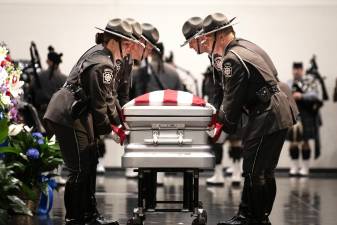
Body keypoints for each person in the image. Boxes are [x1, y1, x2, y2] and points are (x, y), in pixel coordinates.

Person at [191, 13, 298, 225]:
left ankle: (249, 218)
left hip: (267, 113)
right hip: (278, 109)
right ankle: (260, 217)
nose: (204, 42)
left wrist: (220, 127)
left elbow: (231, 99)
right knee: (265, 170)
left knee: (252, 170)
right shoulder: (245, 46)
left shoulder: (231, 58)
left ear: (219, 36)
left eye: (207, 37)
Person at [44, 18, 143, 225]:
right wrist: (112, 129)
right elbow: (100, 105)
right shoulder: (102, 64)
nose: (128, 49)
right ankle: (74, 218)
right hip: (68, 114)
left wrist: (117, 124)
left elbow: (109, 98)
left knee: (89, 163)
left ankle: (88, 216)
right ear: (113, 41)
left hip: (77, 114)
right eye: (126, 43)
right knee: (80, 168)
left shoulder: (104, 56)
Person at [287, 62, 322, 176]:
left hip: (307, 114)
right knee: (293, 141)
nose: (296, 71)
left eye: (299, 69)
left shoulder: (309, 82)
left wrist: (302, 96)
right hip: (293, 115)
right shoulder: (289, 83)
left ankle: (305, 168)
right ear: (292, 70)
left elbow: (316, 95)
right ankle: (294, 167)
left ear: (302, 70)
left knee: (305, 141)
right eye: (295, 69)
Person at [31, 46, 66, 122]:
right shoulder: (64, 79)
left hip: (40, 115)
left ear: (48, 61)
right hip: (57, 116)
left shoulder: (38, 76)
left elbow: (31, 93)